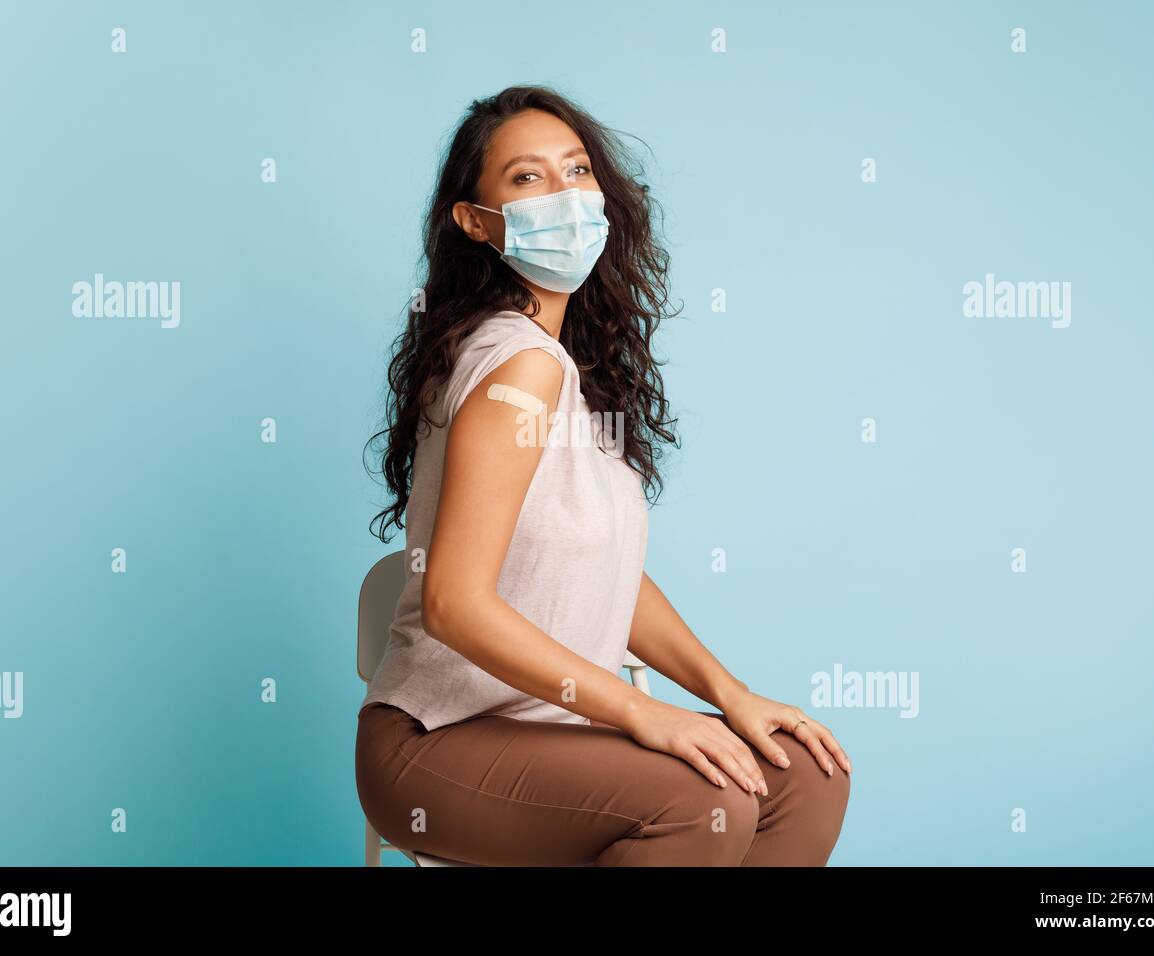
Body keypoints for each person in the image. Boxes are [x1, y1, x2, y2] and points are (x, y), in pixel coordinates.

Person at [357, 85, 851, 866]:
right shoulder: (517, 364)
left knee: (803, 775)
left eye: (578, 170)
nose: (566, 195)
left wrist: (731, 697)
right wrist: (639, 713)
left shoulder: (563, 371)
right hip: (433, 746)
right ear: (476, 222)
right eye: (526, 179)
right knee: (704, 802)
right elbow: (453, 602)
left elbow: (608, 582)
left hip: (546, 735)